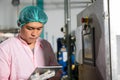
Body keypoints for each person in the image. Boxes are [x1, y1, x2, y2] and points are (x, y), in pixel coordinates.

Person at [0, 5, 62, 80]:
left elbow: (56, 72)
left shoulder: (46, 45)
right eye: (30, 28)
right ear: (20, 25)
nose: (34, 34)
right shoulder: (5, 48)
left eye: (39, 29)